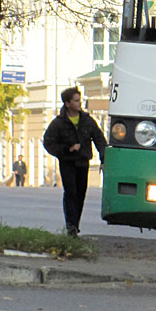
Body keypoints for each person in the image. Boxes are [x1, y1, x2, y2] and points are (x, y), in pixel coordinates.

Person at [42, 87, 106, 236]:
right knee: (71, 192)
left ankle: (75, 224)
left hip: (83, 162)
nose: (79, 103)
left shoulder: (87, 120)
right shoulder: (59, 123)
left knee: (80, 194)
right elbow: (48, 143)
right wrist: (66, 150)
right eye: (76, 101)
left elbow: (99, 139)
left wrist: (104, 158)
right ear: (68, 103)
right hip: (68, 163)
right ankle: (71, 225)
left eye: (80, 100)